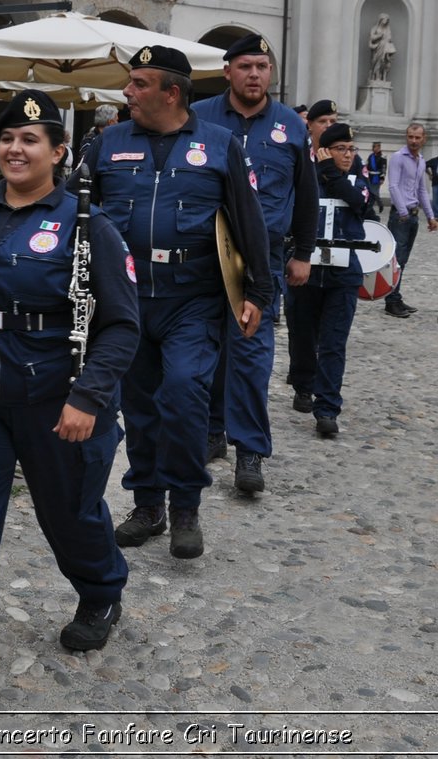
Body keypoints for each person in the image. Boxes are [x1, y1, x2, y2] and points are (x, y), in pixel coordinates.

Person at [0, 89, 139, 702]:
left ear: (58, 152)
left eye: (31, 139)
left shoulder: (90, 226)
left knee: (68, 513)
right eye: (8, 138)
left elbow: (122, 324)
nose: (15, 149)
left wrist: (90, 398)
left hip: (55, 398)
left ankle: (101, 592)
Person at [76, 44, 271, 560]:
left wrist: (259, 291)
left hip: (193, 298)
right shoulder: (107, 142)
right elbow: (74, 213)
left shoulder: (219, 144)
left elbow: (249, 220)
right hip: (126, 300)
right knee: (138, 407)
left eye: (139, 84)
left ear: (172, 92)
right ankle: (148, 505)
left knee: (183, 395)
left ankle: (185, 504)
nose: (128, 92)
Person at [190, 34, 316, 494]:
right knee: (205, 348)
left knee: (249, 352)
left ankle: (250, 452)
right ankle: (210, 430)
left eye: (262, 66)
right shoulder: (199, 118)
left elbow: (307, 194)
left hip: (264, 258)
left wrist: (303, 252)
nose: (255, 75)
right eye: (245, 66)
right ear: (228, 72)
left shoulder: (290, 126)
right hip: (207, 254)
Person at [289, 122, 372, 437]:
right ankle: (302, 385)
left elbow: (360, 202)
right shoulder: (305, 177)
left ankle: (327, 409)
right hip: (305, 271)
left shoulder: (356, 180)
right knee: (302, 335)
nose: (348, 154)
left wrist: (331, 171)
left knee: (334, 343)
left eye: (351, 149)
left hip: (342, 276)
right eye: (341, 149)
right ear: (325, 150)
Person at [383, 122, 438, 319]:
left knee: (403, 260)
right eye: (410, 137)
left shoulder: (421, 160)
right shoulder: (398, 157)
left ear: (424, 139)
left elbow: (422, 190)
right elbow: (393, 186)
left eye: (417, 137)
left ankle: (395, 296)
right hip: (402, 215)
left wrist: (430, 216)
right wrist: (402, 211)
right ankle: (391, 301)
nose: (413, 141)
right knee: (396, 259)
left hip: (413, 214)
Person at [368, 14, 397, 83]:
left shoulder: (388, 30)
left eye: (387, 20)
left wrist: (389, 40)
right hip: (378, 47)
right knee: (376, 61)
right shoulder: (375, 28)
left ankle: (382, 78)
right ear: (381, 20)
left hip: (386, 49)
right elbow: (371, 38)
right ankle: (376, 77)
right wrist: (379, 36)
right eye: (385, 19)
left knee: (384, 62)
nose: (386, 21)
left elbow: (390, 39)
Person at [365, 141, 386, 214]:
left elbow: (383, 168)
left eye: (376, 147)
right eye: (374, 147)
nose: (375, 148)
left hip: (377, 177)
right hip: (370, 177)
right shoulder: (371, 156)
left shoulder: (383, 157)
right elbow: (367, 165)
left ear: (379, 147)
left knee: (374, 192)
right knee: (372, 192)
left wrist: (382, 178)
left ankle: (376, 205)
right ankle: (376, 206)